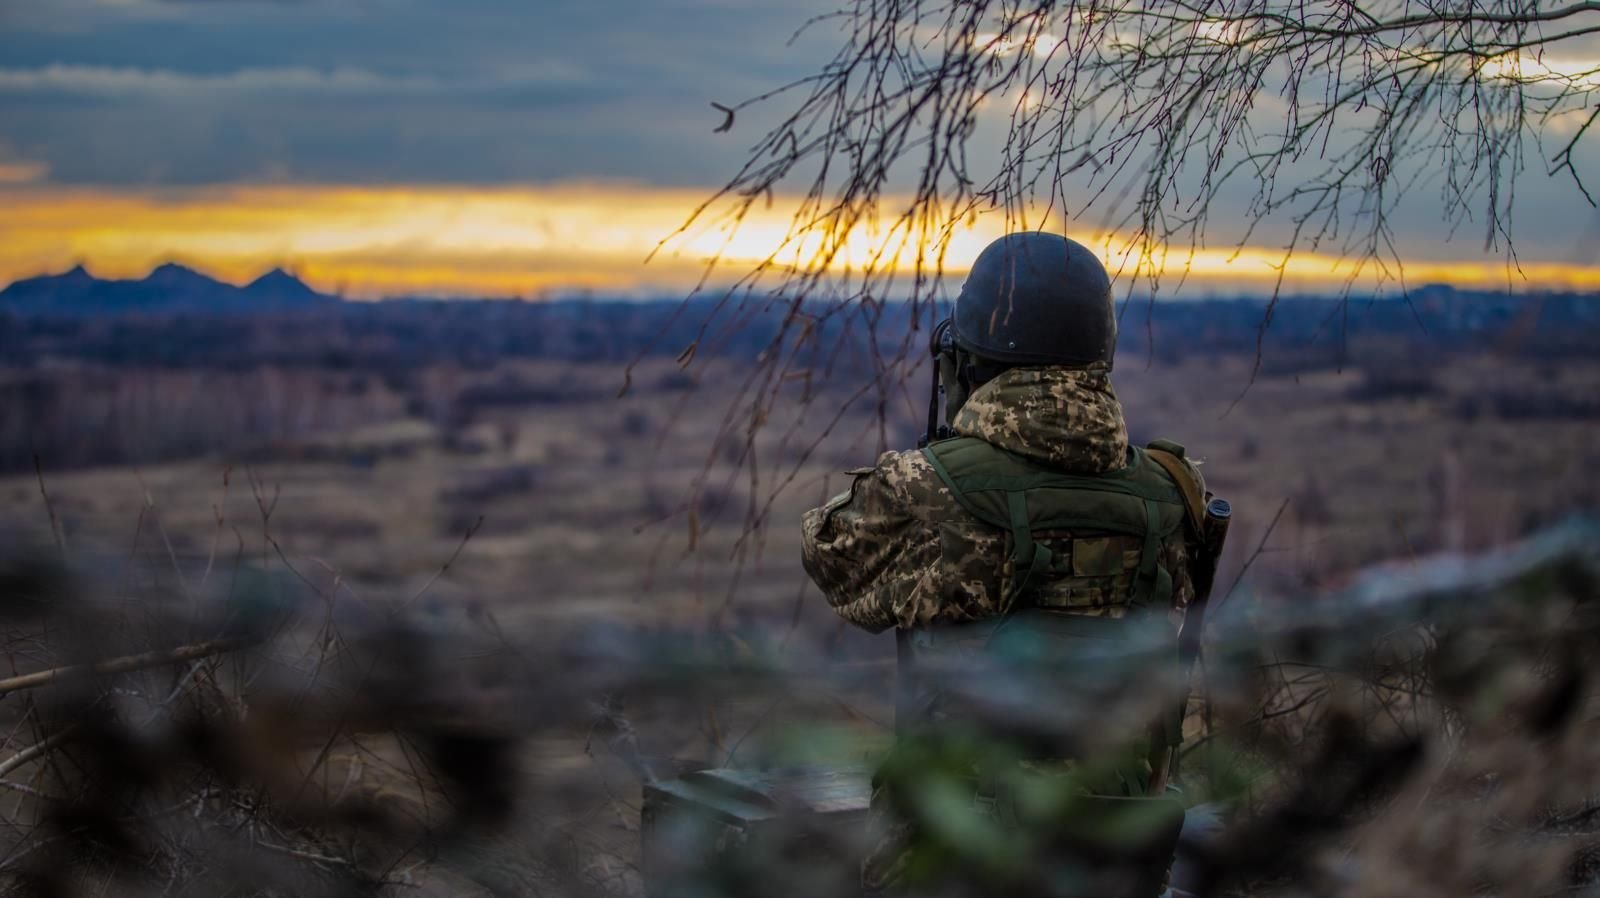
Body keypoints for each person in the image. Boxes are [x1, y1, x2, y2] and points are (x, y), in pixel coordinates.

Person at [800, 232, 1222, 897]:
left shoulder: (930, 491)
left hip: (955, 846)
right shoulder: (1172, 493)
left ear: (972, 359)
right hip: (1117, 841)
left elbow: (830, 557)